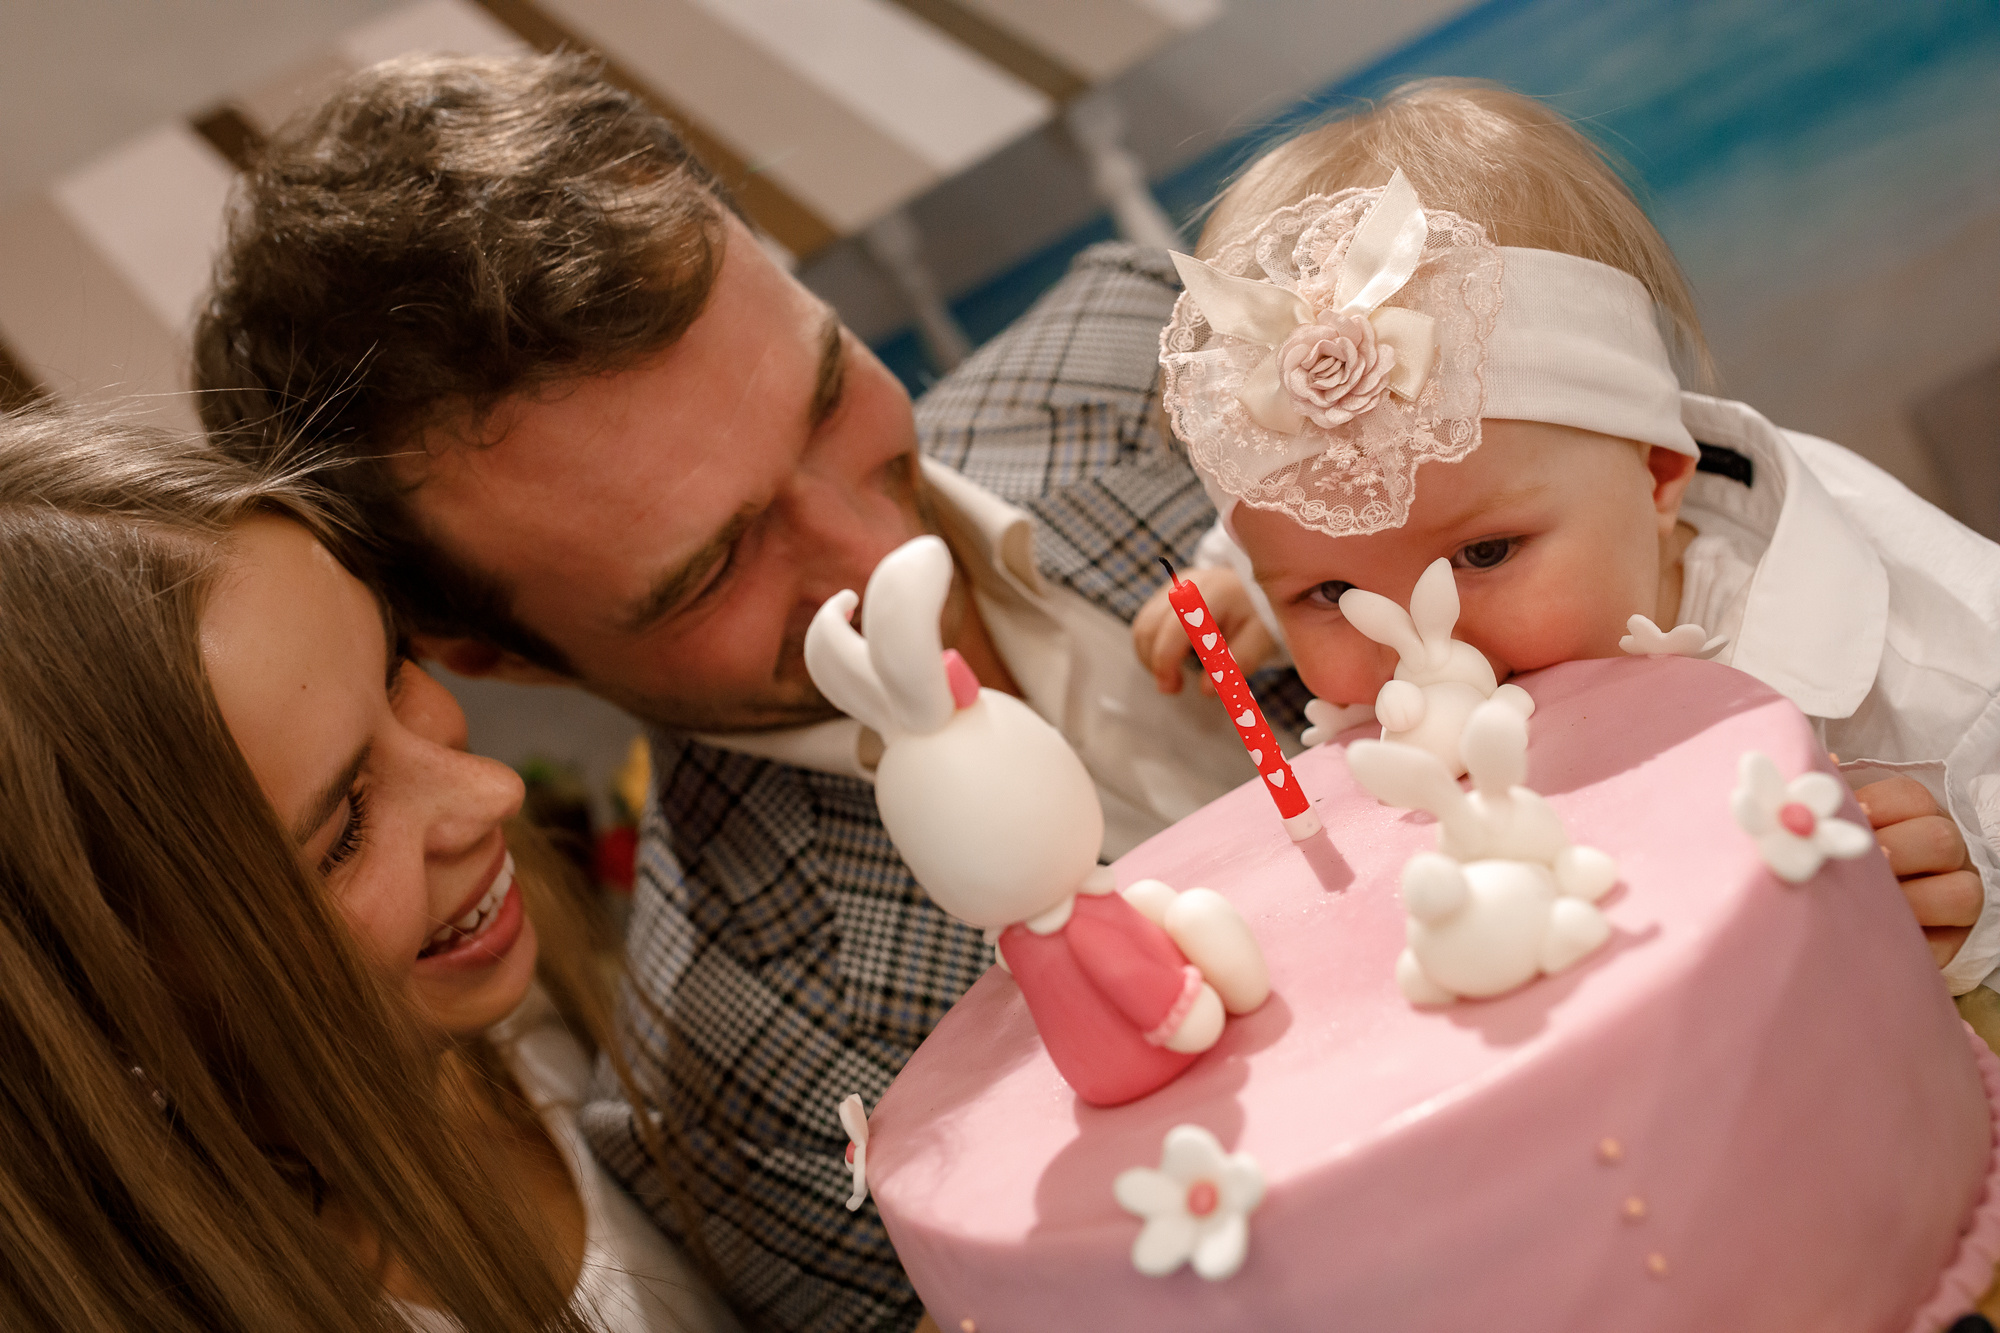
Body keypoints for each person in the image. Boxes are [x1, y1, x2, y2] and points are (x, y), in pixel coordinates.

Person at [191, 52, 1290, 1333]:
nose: (879, 558)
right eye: (711, 566)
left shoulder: (1152, 353)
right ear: (492, 656)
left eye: (828, 392)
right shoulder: (739, 1095)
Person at [1131, 78, 2000, 992]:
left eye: (1485, 555)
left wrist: (1960, 915)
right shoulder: (1394, 524)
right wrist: (1245, 589)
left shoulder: (1933, 687)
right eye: (1334, 595)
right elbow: (1304, 525)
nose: (1426, 645)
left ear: (1662, 472)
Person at [0, 404, 736, 1333]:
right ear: (110, 998)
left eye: (395, 669)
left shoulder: (537, 1022)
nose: (491, 791)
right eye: (344, 831)